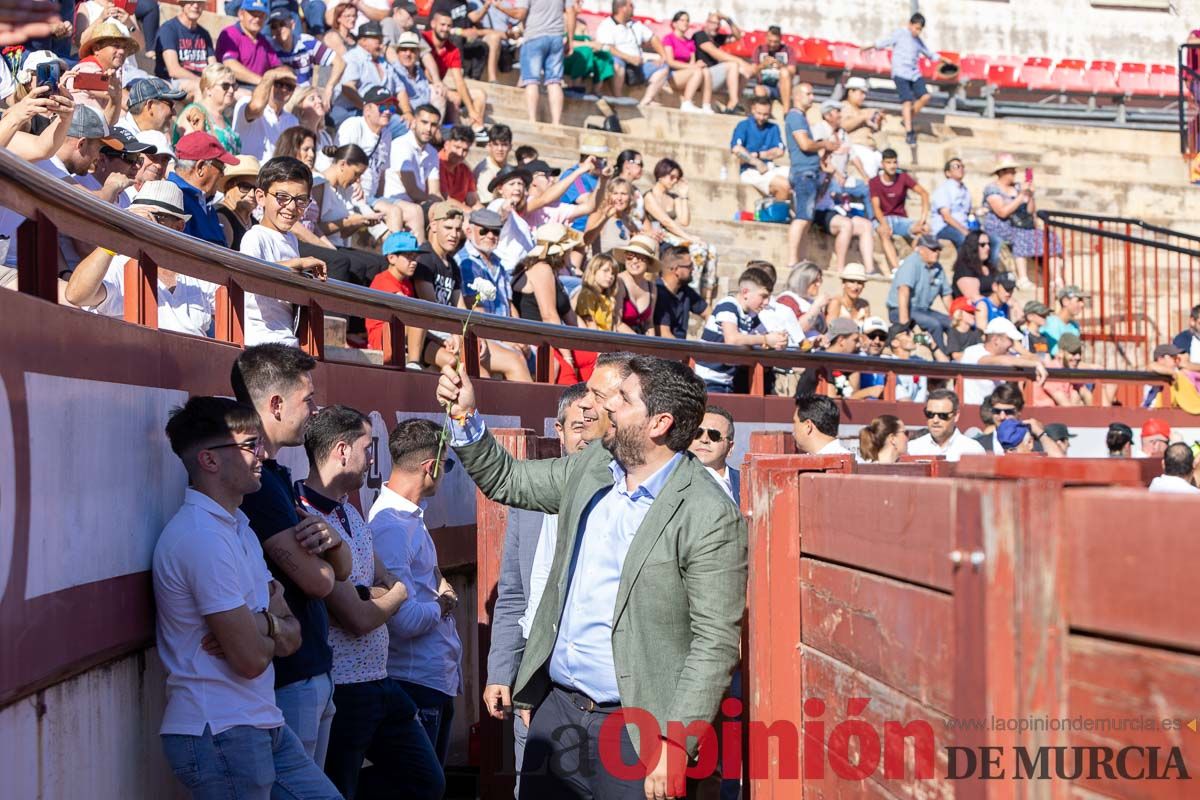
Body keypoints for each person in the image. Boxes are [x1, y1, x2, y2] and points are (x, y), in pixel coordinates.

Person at [437, 354, 747, 799]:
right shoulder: (592, 466)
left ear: (658, 423)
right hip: (557, 712)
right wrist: (464, 415)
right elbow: (507, 480)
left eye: (622, 398)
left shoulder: (709, 512)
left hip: (637, 732)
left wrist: (674, 742)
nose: (603, 407)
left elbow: (715, 641)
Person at [154, 396, 341, 800]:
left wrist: (261, 624)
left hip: (258, 725)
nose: (261, 454)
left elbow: (294, 638)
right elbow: (252, 660)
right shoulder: (202, 538)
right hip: (221, 731)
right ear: (209, 460)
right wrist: (272, 623)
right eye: (248, 445)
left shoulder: (238, 526)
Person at [295, 406, 444, 799]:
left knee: (427, 780)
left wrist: (378, 594)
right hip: (342, 689)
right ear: (342, 451)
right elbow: (360, 616)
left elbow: (378, 584)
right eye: (367, 447)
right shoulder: (303, 517)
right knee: (339, 787)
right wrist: (392, 595)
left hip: (378, 681)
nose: (373, 459)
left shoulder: (349, 510)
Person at [231, 344, 353, 767]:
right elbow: (320, 581)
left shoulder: (277, 476)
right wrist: (332, 554)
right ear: (276, 404)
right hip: (288, 680)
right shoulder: (260, 486)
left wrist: (334, 544)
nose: (315, 410)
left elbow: (341, 567)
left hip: (309, 672)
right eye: (309, 400)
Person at [482, 381, 593, 795]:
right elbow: (512, 595)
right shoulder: (527, 501)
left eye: (593, 424)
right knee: (533, 782)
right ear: (559, 431)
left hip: (591, 673)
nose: (585, 435)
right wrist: (500, 673)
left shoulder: (620, 499)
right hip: (535, 666)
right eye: (576, 426)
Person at [369, 418, 463, 766]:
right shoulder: (392, 526)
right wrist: (444, 604)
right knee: (420, 785)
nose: (445, 472)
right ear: (430, 467)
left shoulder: (406, 520)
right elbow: (402, 619)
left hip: (431, 679)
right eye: (447, 464)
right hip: (415, 681)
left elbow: (426, 579)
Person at [65, 181, 218, 337]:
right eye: (137, 217)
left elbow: (239, 310)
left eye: (157, 217)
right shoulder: (119, 264)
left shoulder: (194, 272)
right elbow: (76, 295)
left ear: (178, 227)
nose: (145, 224)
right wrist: (114, 241)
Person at [240, 156, 329, 346]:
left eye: (300, 200)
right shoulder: (255, 237)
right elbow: (250, 277)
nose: (291, 207)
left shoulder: (291, 240)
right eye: (282, 197)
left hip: (287, 339)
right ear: (261, 197)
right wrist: (297, 264)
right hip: (260, 341)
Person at [695, 266, 787, 393]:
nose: (766, 302)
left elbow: (767, 337)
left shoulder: (751, 316)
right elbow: (732, 339)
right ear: (745, 292)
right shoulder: (728, 304)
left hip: (727, 382)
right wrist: (766, 339)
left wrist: (779, 341)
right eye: (763, 296)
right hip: (707, 381)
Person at [860, 12, 946, 145]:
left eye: (920, 29)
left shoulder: (918, 42)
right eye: (916, 28)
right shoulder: (900, 34)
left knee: (925, 96)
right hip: (900, 73)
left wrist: (944, 60)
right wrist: (868, 47)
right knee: (907, 101)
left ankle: (908, 117)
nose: (917, 31)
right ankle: (909, 131)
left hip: (914, 73)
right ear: (910, 24)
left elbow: (930, 54)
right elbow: (885, 42)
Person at [643, 157, 717, 299]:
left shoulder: (674, 197)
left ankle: (707, 296)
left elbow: (684, 221)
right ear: (661, 174)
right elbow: (666, 221)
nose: (674, 181)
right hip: (661, 235)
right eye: (672, 177)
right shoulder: (650, 196)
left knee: (711, 250)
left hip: (675, 235)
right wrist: (689, 238)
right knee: (698, 248)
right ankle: (692, 287)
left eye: (677, 178)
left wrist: (684, 196)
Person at [981, 154, 1058, 290]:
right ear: (1003, 172)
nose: (1015, 173)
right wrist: (1021, 195)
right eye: (1012, 170)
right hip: (1000, 227)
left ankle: (1056, 279)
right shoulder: (992, 189)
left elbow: (1029, 211)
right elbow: (1002, 212)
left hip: (1021, 226)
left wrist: (1030, 195)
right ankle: (1023, 279)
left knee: (1050, 237)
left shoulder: (1017, 187)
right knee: (1021, 236)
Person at [407, 201, 466, 370]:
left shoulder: (452, 264)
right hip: (424, 332)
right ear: (433, 226)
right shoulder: (424, 258)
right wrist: (452, 334)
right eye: (448, 228)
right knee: (455, 364)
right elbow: (431, 307)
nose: (454, 235)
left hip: (445, 330)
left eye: (457, 229)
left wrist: (460, 334)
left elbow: (459, 307)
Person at [785, 82, 838, 265]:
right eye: (809, 93)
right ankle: (793, 260)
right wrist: (824, 144)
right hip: (803, 173)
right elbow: (805, 144)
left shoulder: (800, 118)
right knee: (801, 218)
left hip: (809, 172)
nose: (812, 97)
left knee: (806, 220)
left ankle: (800, 259)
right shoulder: (795, 117)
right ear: (798, 96)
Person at [594, 0, 671, 107]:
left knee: (663, 67)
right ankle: (618, 97)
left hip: (637, 66)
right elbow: (606, 47)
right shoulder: (607, 25)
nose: (633, 7)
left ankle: (646, 101)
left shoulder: (636, 25)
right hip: (621, 65)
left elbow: (653, 38)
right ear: (622, 8)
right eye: (631, 5)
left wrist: (663, 56)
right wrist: (629, 58)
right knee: (617, 62)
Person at [170, 131, 239, 246]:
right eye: (221, 168)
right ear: (200, 168)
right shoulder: (174, 199)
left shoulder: (205, 202)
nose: (222, 175)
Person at [511, 0, 575, 125]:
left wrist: (499, 7)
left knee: (531, 81)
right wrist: (570, 40)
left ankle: (532, 119)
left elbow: (520, 13)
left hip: (534, 36)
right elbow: (571, 11)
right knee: (555, 82)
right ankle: (556, 122)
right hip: (556, 37)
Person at [886, 233, 952, 352]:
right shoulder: (912, 263)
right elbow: (903, 291)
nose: (936, 253)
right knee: (934, 324)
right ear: (921, 249)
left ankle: (955, 355)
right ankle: (940, 363)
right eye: (932, 249)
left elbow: (946, 295)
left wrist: (955, 316)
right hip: (900, 309)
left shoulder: (938, 267)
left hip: (923, 310)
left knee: (952, 323)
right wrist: (904, 324)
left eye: (938, 249)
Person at [960, 317, 1049, 406]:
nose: (1012, 344)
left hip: (993, 411)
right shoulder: (973, 352)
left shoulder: (1007, 354)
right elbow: (1000, 361)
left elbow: (1037, 359)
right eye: (1010, 340)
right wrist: (1035, 364)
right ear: (996, 340)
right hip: (972, 409)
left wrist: (1022, 350)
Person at [423, 9, 488, 129]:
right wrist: (447, 91)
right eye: (442, 24)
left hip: (440, 86)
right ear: (433, 24)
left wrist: (471, 110)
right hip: (424, 86)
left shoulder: (452, 49)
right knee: (449, 96)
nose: (445, 29)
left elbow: (459, 81)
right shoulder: (424, 38)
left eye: (449, 26)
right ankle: (449, 135)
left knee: (480, 95)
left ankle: (476, 130)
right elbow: (426, 73)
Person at [870, 148, 930, 273]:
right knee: (883, 231)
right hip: (884, 218)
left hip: (901, 219)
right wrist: (884, 224)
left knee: (924, 229)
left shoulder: (903, 177)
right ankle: (896, 268)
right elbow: (876, 207)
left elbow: (924, 193)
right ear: (882, 164)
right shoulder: (874, 182)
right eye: (888, 162)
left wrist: (922, 219)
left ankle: (918, 265)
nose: (892, 166)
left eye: (894, 162)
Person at [269, 8, 344, 97]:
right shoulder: (269, 48)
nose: (278, 29)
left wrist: (329, 88)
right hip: (283, 97)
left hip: (306, 96)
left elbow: (339, 63)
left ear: (292, 25)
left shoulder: (307, 42)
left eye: (282, 24)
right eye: (274, 26)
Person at [366, 230, 421, 350]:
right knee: (419, 323)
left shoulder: (407, 283)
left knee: (448, 360)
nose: (414, 262)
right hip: (381, 339)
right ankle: (413, 362)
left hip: (399, 334)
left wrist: (441, 339)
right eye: (409, 257)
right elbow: (410, 313)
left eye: (415, 257)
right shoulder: (382, 279)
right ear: (391, 258)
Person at [690, 11, 754, 112]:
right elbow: (716, 53)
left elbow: (738, 36)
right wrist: (741, 61)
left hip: (713, 77)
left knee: (744, 72)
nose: (716, 26)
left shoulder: (717, 38)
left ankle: (734, 104)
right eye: (713, 23)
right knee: (733, 65)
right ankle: (733, 101)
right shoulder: (699, 35)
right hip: (703, 76)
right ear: (707, 22)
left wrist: (727, 19)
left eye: (718, 24)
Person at [173, 63, 242, 155]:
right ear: (208, 89)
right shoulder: (194, 111)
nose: (231, 90)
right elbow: (189, 152)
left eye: (234, 86)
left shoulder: (225, 119)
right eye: (225, 86)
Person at [234, 66, 299, 161]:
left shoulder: (293, 121)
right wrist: (269, 75)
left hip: (276, 174)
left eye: (289, 86)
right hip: (248, 173)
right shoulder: (246, 102)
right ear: (269, 82)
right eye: (279, 83)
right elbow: (256, 107)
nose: (284, 90)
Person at [731, 95, 789, 197]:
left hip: (769, 167)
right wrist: (756, 162)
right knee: (784, 184)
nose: (762, 117)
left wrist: (757, 155)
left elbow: (779, 151)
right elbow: (737, 149)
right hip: (749, 170)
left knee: (799, 176)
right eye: (759, 113)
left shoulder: (773, 127)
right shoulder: (744, 125)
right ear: (753, 109)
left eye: (766, 114)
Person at [383, 103, 441, 206]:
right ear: (414, 122)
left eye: (433, 125)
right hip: (394, 203)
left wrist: (443, 206)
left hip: (418, 203)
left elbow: (434, 192)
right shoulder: (401, 145)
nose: (428, 129)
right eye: (424, 122)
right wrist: (438, 205)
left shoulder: (432, 152)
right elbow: (412, 190)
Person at [907, 389, 987, 461]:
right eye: (930, 414)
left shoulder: (972, 450)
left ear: (956, 416)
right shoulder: (912, 448)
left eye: (942, 415)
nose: (935, 420)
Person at [216, 0, 282, 87]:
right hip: (234, 88)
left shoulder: (263, 40)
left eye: (261, 15)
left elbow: (277, 66)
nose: (257, 19)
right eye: (253, 14)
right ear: (241, 14)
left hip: (260, 88)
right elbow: (230, 65)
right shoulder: (230, 34)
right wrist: (262, 81)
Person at [154, 0, 214, 93]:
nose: (195, 5)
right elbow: (173, 70)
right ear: (182, 3)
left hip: (203, 83)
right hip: (172, 83)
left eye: (200, 2)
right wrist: (203, 83)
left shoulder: (204, 34)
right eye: (191, 2)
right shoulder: (168, 29)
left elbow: (213, 66)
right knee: (199, 89)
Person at [659, 11, 713, 114]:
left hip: (687, 73)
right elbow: (670, 62)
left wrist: (696, 65)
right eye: (682, 20)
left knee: (705, 71)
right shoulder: (669, 38)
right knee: (697, 71)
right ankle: (686, 102)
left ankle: (707, 105)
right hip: (672, 74)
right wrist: (692, 66)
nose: (685, 23)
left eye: (687, 20)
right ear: (674, 23)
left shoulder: (690, 42)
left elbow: (692, 62)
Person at [654, 244, 708, 339]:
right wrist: (687, 353)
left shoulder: (684, 290)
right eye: (689, 266)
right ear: (676, 270)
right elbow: (664, 335)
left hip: (680, 346)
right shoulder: (658, 292)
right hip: (666, 349)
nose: (693, 269)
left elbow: (709, 313)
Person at [689, 404, 739, 502]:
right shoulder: (669, 478)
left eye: (714, 435)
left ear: (730, 448)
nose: (704, 439)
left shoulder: (745, 483)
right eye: (698, 433)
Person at [612, 233, 659, 336]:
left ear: (649, 262)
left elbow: (649, 323)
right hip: (619, 342)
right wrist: (640, 343)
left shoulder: (652, 287)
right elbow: (617, 323)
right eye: (630, 256)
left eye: (641, 258)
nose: (634, 261)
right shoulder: (619, 282)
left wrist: (652, 347)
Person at [776, 261, 830, 343]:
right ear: (803, 281)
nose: (819, 284)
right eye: (815, 281)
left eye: (820, 280)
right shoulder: (787, 299)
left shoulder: (810, 301)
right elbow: (797, 329)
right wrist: (816, 307)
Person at [929, 157, 971, 249]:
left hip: (962, 225)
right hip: (944, 227)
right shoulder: (943, 189)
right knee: (964, 239)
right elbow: (946, 217)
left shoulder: (965, 190)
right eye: (956, 166)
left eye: (962, 166)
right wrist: (964, 231)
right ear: (948, 173)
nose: (960, 168)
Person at [574, 252, 622, 332]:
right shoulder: (587, 294)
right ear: (593, 271)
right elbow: (589, 322)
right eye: (605, 270)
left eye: (613, 273)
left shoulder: (609, 298)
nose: (610, 276)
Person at [438, 123, 478, 208]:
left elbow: (473, 202)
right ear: (446, 144)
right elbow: (445, 199)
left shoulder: (465, 170)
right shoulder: (436, 164)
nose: (460, 153)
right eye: (457, 147)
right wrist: (471, 213)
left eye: (465, 150)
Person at [1041, 284, 1087, 355]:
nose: (1082, 304)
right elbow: (1056, 354)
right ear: (1065, 301)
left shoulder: (1074, 326)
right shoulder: (1051, 323)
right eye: (1079, 300)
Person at [951, 229, 994, 303]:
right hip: (975, 311)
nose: (988, 248)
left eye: (989, 244)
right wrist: (997, 302)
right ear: (973, 246)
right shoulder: (964, 270)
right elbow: (975, 299)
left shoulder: (990, 267)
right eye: (982, 245)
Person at [474, 123, 512, 204]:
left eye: (504, 145)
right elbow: (487, 203)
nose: (500, 149)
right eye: (496, 144)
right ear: (489, 146)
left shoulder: (510, 169)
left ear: (510, 147)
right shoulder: (483, 170)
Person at [947, 295, 983, 361]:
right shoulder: (953, 332)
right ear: (959, 314)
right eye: (970, 312)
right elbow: (956, 356)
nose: (973, 316)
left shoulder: (976, 331)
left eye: (973, 313)